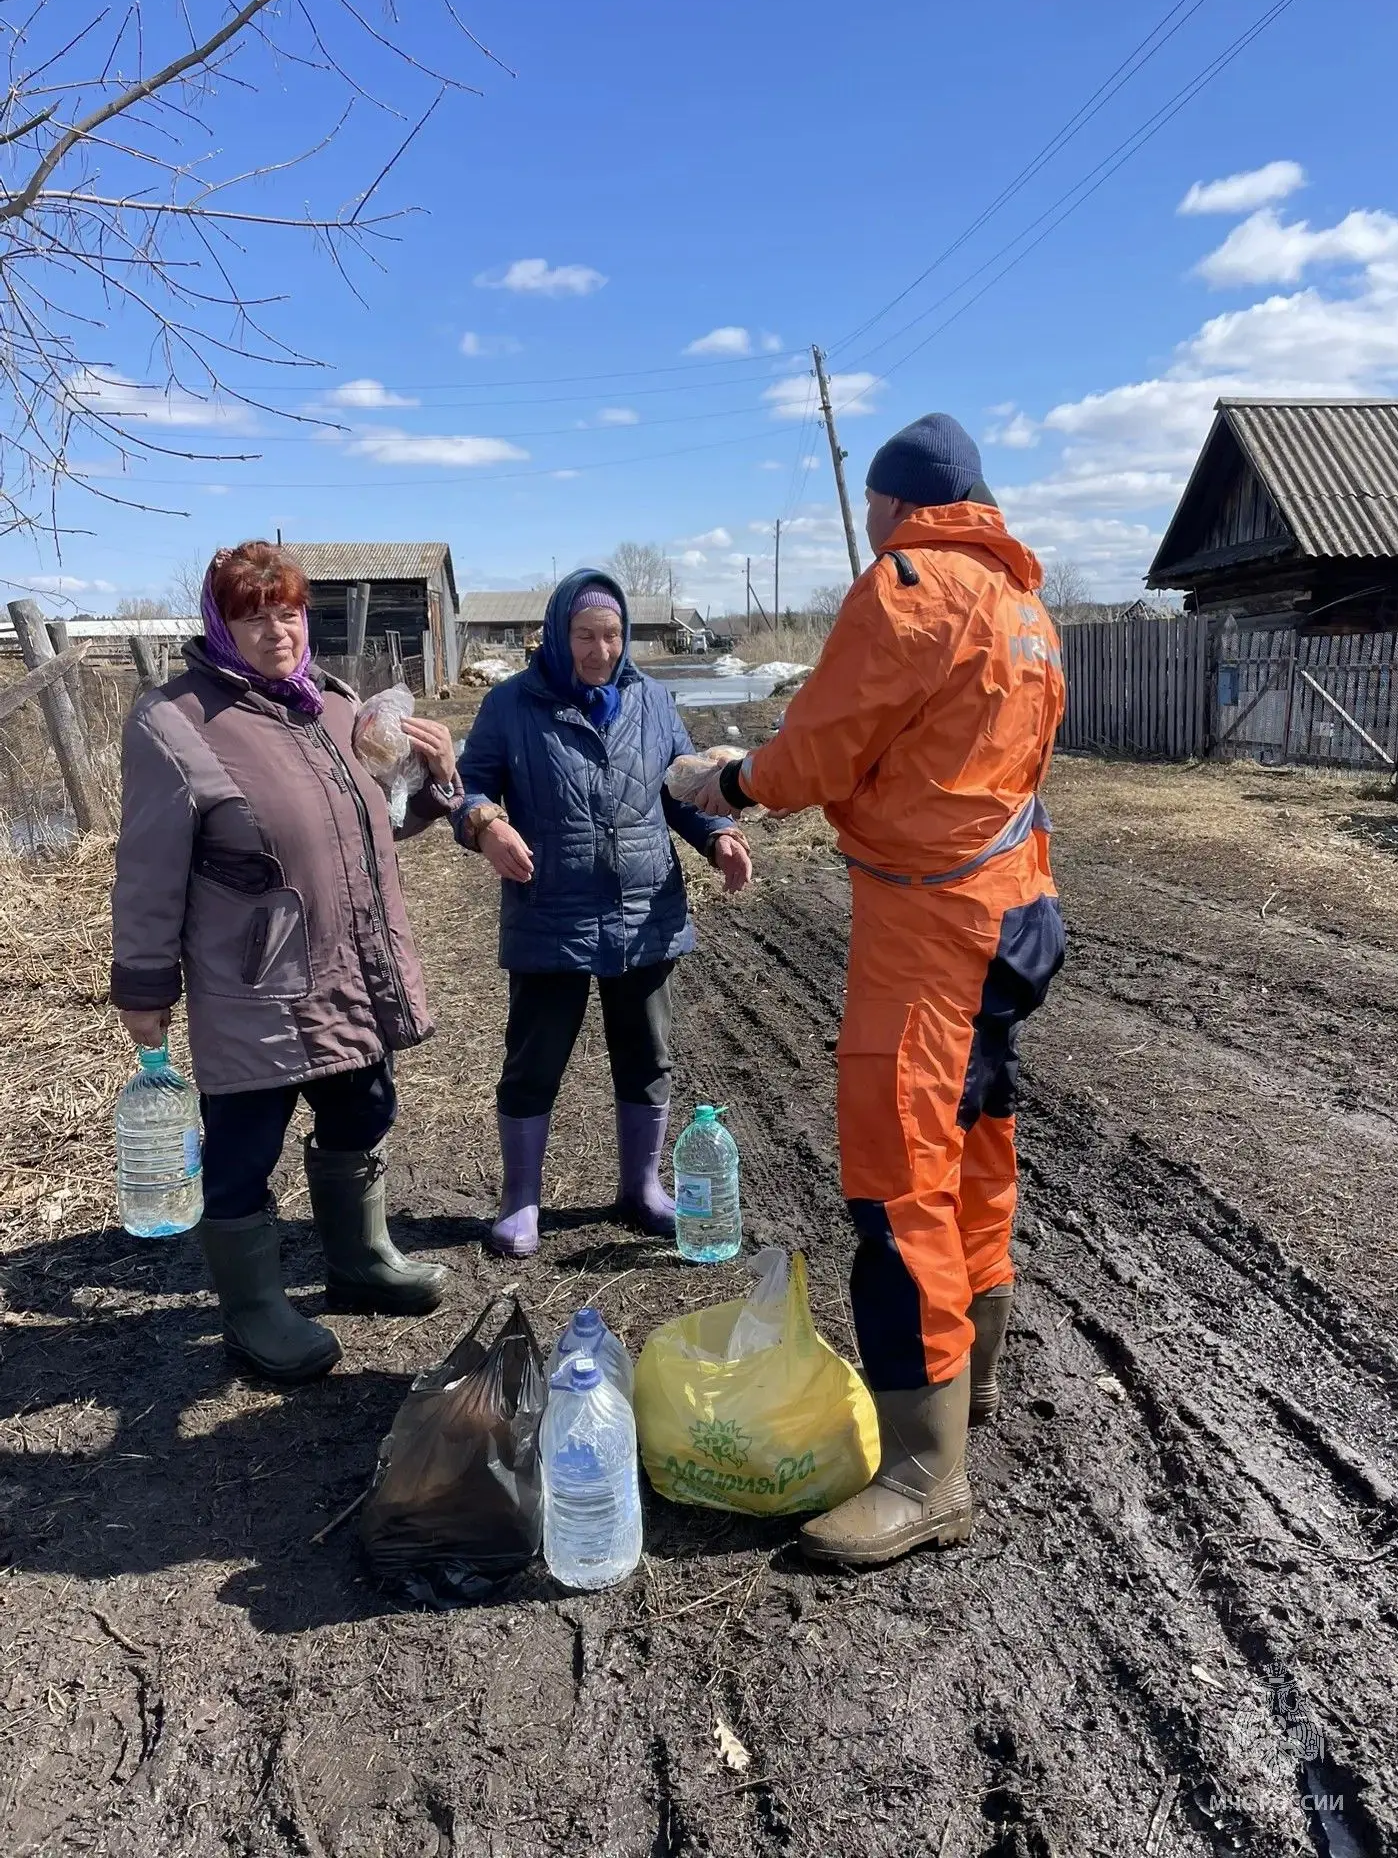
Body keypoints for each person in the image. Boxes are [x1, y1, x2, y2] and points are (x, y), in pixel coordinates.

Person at [691, 414, 1066, 1566]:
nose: (868, 533)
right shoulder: (1028, 614)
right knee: (977, 1151)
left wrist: (725, 778)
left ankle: (921, 1469)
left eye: (870, 513)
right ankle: (979, 1384)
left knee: (900, 1188)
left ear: (897, 504)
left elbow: (817, 752)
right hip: (1015, 913)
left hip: (928, 935)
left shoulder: (908, 586)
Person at [110, 541, 463, 1383]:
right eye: (253, 612)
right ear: (221, 623)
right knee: (243, 1150)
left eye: (290, 609)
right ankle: (254, 1311)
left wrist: (442, 781)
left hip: (348, 966)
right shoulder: (174, 721)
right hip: (254, 983)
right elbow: (148, 872)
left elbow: (382, 823)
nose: (277, 629)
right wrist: (145, 985)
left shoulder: (334, 707)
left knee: (363, 1109)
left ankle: (360, 1262)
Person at [455, 570, 752, 1256]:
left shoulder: (651, 700)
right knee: (534, 1059)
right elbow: (469, 787)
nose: (600, 649)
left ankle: (642, 1188)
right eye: (585, 634)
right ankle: (521, 1199)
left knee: (646, 1054)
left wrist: (720, 836)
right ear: (558, 634)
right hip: (551, 910)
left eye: (613, 635)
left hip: (645, 911)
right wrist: (487, 825)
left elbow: (682, 787)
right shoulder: (511, 705)